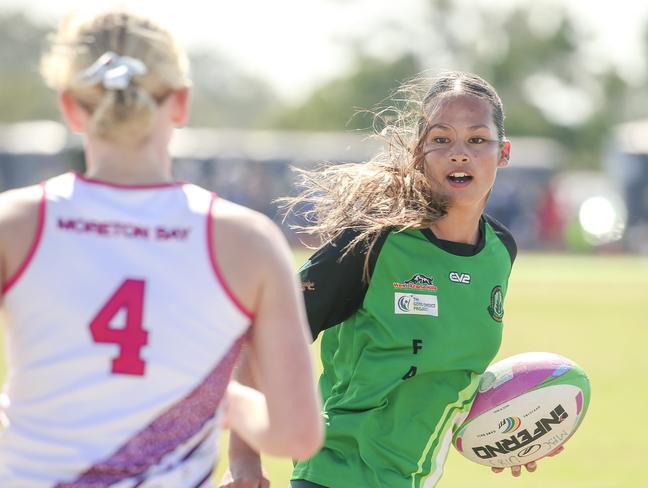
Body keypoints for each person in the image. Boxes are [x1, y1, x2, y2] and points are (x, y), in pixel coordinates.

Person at [0, 8, 322, 487]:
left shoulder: (16, 221)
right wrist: (225, 399)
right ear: (180, 103)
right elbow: (296, 435)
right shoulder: (247, 240)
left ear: (70, 107)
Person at [222, 71, 563, 488]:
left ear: (503, 152)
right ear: (419, 151)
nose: (460, 153)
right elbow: (261, 337)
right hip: (335, 477)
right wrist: (243, 461)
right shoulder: (375, 244)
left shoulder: (499, 251)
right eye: (441, 139)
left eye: (477, 139)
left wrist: (505, 430)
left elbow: (440, 376)